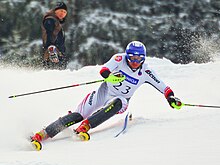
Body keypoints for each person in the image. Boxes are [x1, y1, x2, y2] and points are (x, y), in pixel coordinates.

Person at [31, 41, 182, 149]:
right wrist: (110, 77)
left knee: (118, 102)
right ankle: (43, 134)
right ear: (127, 56)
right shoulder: (119, 58)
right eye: (132, 58)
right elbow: (104, 70)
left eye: (139, 59)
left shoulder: (146, 72)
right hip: (103, 92)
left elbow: (164, 87)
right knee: (78, 115)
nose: (135, 62)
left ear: (143, 58)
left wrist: (171, 98)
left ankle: (86, 126)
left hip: (121, 100)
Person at [41, 2, 68, 70]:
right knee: (53, 74)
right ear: (55, 11)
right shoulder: (50, 20)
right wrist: (51, 49)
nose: (63, 13)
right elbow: (48, 34)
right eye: (61, 11)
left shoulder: (56, 21)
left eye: (65, 12)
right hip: (53, 54)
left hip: (57, 53)